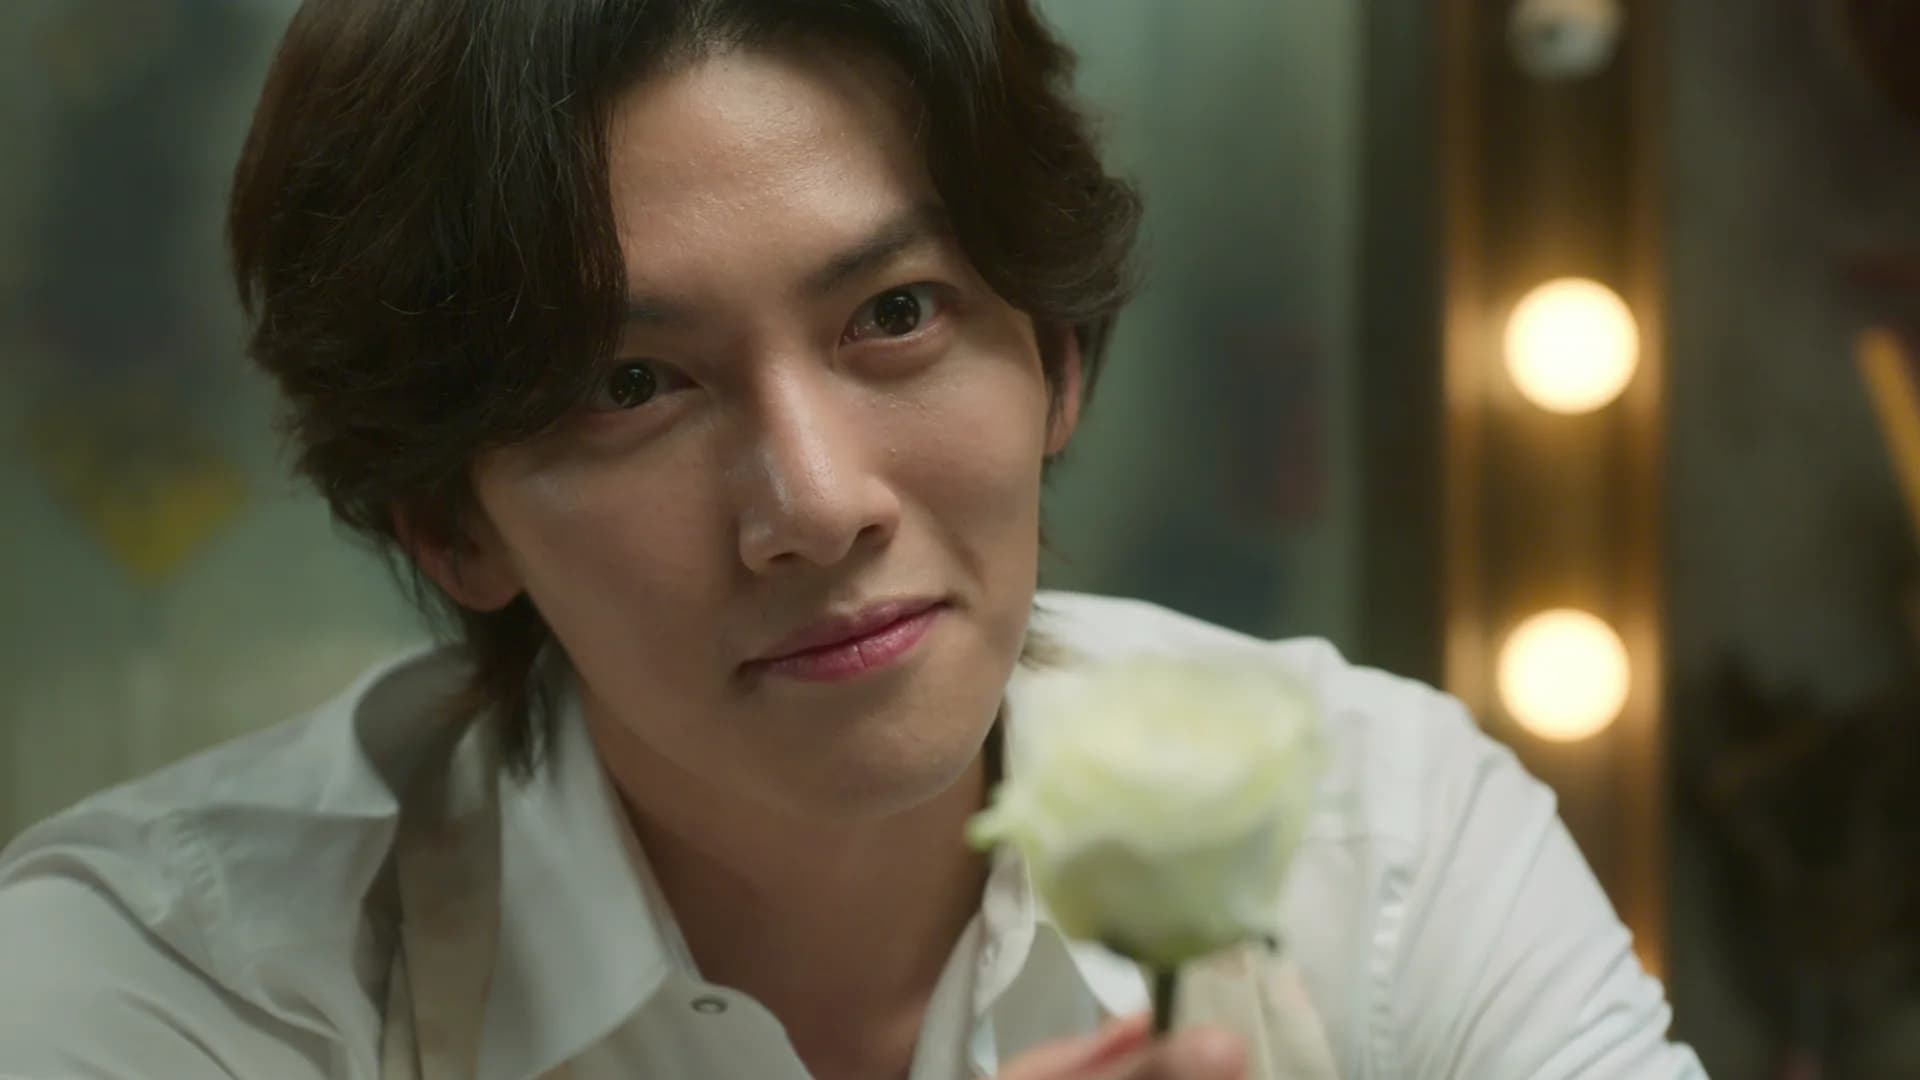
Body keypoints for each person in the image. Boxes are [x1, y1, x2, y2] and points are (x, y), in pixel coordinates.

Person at [0, 2, 1708, 1078]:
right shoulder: (171, 985)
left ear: (1053, 353)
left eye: (895, 313)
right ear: (451, 520)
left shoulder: (1375, 836)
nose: (815, 504)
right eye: (631, 385)